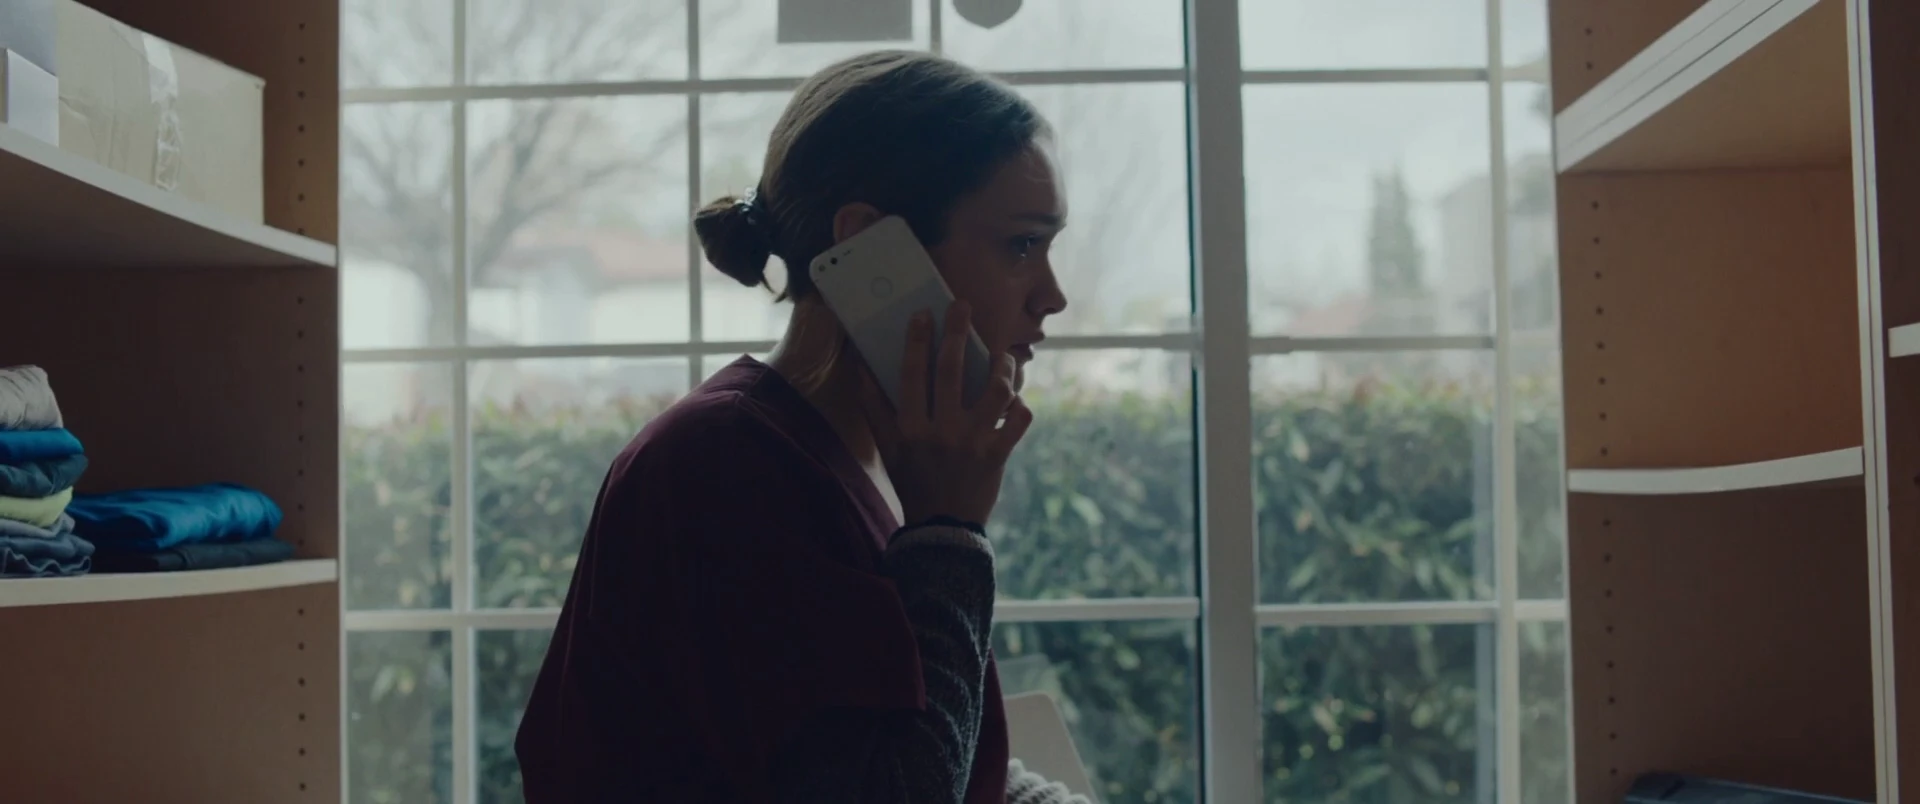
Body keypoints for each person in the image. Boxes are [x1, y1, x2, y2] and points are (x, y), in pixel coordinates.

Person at [514, 50, 1086, 804]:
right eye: (1022, 244)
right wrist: (949, 535)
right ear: (870, 244)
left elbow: (928, 745)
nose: (1053, 296)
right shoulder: (725, 468)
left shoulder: (860, 455)